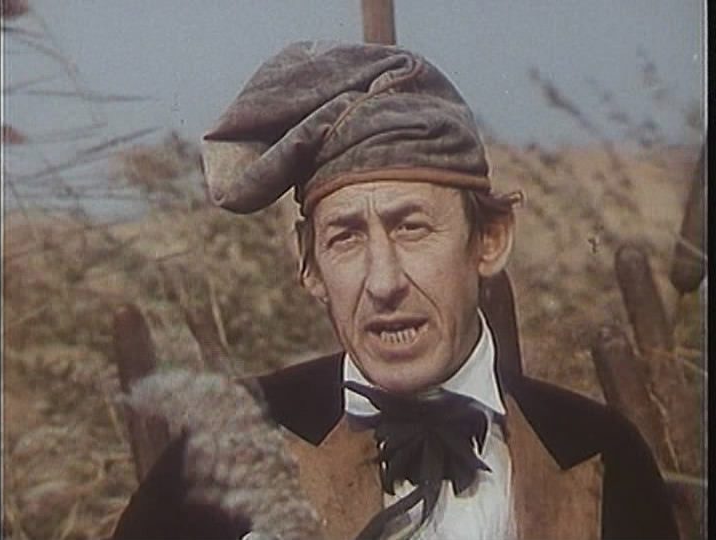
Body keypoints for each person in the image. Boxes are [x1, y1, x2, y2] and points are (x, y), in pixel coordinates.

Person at [111, 41, 679, 540]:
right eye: (346, 237)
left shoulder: (598, 456)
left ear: (489, 240)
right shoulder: (227, 455)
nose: (383, 282)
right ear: (310, 265)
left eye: (412, 228)